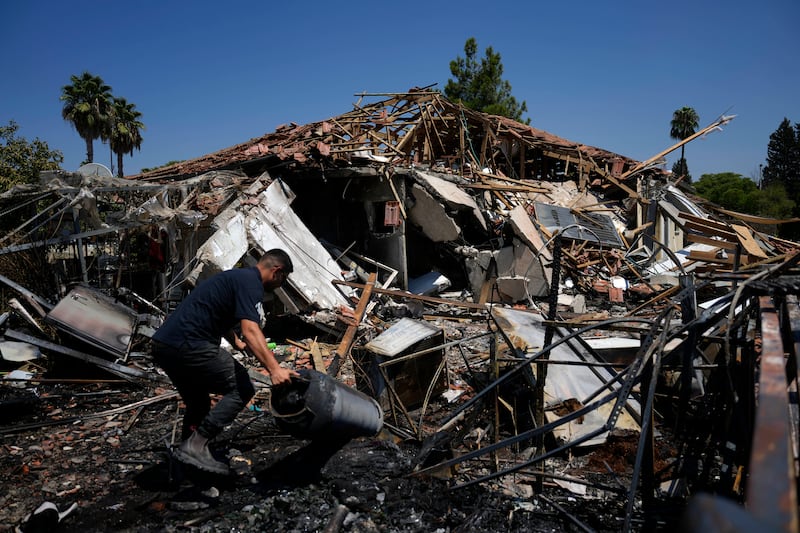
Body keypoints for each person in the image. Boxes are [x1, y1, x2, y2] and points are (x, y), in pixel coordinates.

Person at [151, 248, 299, 474]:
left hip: (166, 345)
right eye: (283, 279)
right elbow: (251, 329)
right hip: (189, 343)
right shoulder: (252, 284)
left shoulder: (237, 278)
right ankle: (196, 444)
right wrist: (275, 370)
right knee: (242, 386)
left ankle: (188, 460)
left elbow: (220, 314)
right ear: (277, 272)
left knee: (198, 402)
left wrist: (237, 342)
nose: (280, 285)